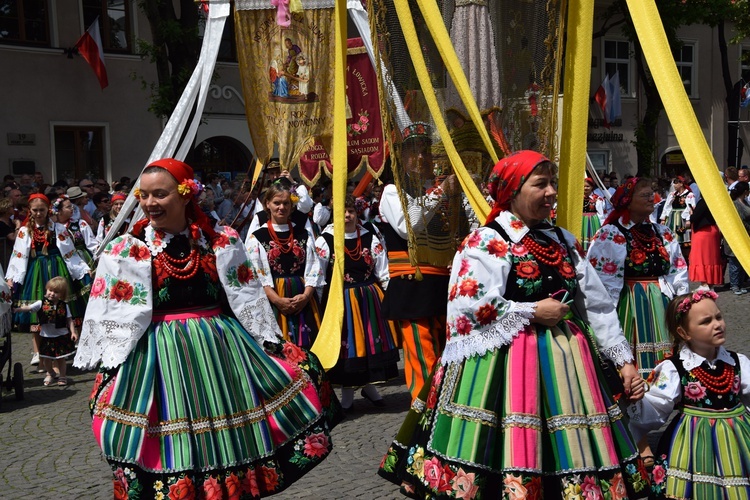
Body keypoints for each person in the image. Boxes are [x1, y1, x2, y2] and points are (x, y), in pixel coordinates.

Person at [379, 151, 648, 498]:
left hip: (570, 367)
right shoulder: (488, 241)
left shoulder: (563, 241)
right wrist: (532, 310)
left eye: (552, 183)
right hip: (505, 366)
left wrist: (624, 362)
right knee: (505, 450)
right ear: (512, 191)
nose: (551, 192)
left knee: (568, 450)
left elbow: (596, 305)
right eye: (541, 184)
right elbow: (470, 304)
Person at [73, 158, 340, 497]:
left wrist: (273, 346)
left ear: (186, 195)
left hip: (221, 354)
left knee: (231, 442)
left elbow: (246, 301)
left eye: (160, 194)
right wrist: (111, 366)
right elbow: (111, 315)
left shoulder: (220, 241)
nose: (150, 203)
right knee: (168, 442)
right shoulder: (129, 250)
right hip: (160, 358)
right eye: (144, 195)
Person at [628, 290, 750, 499]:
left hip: (738, 439)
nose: (717, 324)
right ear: (684, 333)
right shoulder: (674, 368)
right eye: (706, 321)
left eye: (718, 317)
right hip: (692, 443)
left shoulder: (738, 362)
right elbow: (656, 407)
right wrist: (637, 399)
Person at [378, 122, 463, 401]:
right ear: (400, 157)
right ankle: (424, 413)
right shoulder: (393, 191)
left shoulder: (439, 190)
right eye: (413, 151)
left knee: (447, 353)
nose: (421, 157)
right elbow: (409, 224)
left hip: (443, 285)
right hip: (413, 285)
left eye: (425, 150)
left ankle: (446, 405)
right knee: (423, 356)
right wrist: (440, 194)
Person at [587, 177, 689, 376]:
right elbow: (599, 280)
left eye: (652, 193)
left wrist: (682, 302)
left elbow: (677, 269)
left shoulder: (662, 232)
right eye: (644, 195)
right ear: (628, 201)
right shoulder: (610, 234)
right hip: (629, 302)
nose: (652, 198)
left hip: (661, 301)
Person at [313, 195, 399, 411]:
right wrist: (321, 305)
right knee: (347, 346)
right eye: (342, 210)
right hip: (341, 300)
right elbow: (319, 275)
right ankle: (348, 394)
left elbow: (383, 270)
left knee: (368, 345)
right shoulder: (326, 240)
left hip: (368, 298)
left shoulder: (370, 237)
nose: (347, 215)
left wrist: (389, 296)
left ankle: (369, 388)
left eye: (351, 211)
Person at [5, 193, 90, 366]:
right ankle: (37, 351)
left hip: (57, 267)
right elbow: (18, 255)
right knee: (38, 309)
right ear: (30, 210)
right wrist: (12, 277)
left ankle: (67, 345)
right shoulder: (24, 230)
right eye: (35, 210)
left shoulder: (58, 228)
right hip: (35, 270)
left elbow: (69, 252)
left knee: (63, 307)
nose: (38, 213)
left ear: (48, 209)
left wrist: (82, 269)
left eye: (41, 210)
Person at [246, 179, 323, 348]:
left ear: (292, 205)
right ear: (268, 204)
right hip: (273, 297)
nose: (281, 207)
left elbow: (314, 268)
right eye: (276, 203)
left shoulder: (303, 234)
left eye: (286, 203)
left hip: (302, 296)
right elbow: (256, 274)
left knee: (309, 344)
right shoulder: (257, 237)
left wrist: (306, 296)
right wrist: (277, 300)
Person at [14, 277, 76, 386]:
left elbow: (69, 319)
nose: (52, 294)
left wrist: (73, 332)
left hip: (61, 335)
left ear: (61, 294)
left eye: (56, 292)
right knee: (46, 358)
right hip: (46, 336)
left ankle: (62, 376)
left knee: (61, 359)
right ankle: (51, 373)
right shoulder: (41, 303)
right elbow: (29, 308)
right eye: (50, 290)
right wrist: (18, 309)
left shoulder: (64, 305)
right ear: (46, 290)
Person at [51, 195, 98, 271]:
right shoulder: (53, 227)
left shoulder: (80, 224)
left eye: (72, 206)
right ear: (59, 211)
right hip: (61, 261)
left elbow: (92, 243)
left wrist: (99, 256)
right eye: (68, 207)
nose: (72, 208)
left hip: (82, 259)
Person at [686, 196, 723, 289]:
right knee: (711, 257)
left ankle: (704, 283)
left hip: (703, 232)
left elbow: (695, 217)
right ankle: (710, 282)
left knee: (702, 257)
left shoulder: (703, 202)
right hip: (712, 230)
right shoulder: (715, 200)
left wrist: (691, 214)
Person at [659, 176, 695, 262]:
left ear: (681, 183)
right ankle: (674, 257)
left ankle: (686, 259)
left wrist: (688, 219)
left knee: (684, 240)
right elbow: (667, 207)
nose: (674, 185)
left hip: (682, 218)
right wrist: (663, 218)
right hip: (672, 218)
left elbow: (691, 208)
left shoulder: (689, 195)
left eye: (676, 183)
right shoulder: (672, 195)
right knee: (672, 239)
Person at [725, 181, 750, 294]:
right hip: (736, 236)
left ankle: (740, 284)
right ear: (745, 191)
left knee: (741, 262)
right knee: (734, 262)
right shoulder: (735, 204)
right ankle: (734, 285)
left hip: (746, 235)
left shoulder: (745, 202)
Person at [582, 177, 605, 252]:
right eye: (584, 186)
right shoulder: (579, 198)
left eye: (588, 186)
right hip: (582, 220)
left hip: (593, 220)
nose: (585, 188)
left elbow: (600, 213)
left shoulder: (597, 199)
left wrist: (602, 225)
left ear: (592, 187)